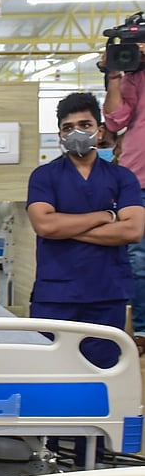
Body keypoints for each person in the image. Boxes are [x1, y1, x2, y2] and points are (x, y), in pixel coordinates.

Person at [27, 91, 145, 466]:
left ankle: (91, 458)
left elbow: (132, 231)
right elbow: (43, 223)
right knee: (55, 378)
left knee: (99, 378)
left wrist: (66, 227)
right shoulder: (45, 176)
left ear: (99, 129)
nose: (76, 133)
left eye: (84, 125)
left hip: (104, 294)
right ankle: (54, 453)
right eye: (68, 127)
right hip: (55, 296)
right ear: (59, 135)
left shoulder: (122, 177)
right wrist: (105, 216)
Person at [102, 45, 145, 334]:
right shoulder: (133, 73)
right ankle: (140, 330)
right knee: (137, 259)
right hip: (138, 176)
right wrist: (115, 74)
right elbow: (115, 120)